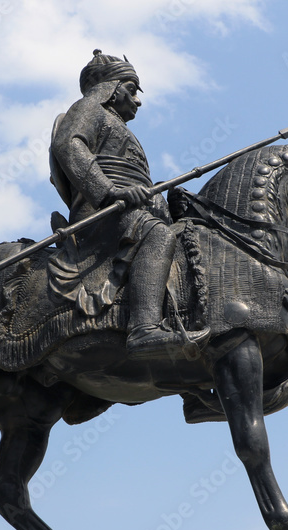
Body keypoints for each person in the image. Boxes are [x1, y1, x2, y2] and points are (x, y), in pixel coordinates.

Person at [49, 49, 208, 358]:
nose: (137, 100)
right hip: (102, 214)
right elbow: (67, 144)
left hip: (131, 210)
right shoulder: (88, 109)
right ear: (111, 88)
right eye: (132, 90)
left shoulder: (119, 127)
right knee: (157, 235)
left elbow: (135, 181)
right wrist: (109, 192)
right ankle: (144, 329)